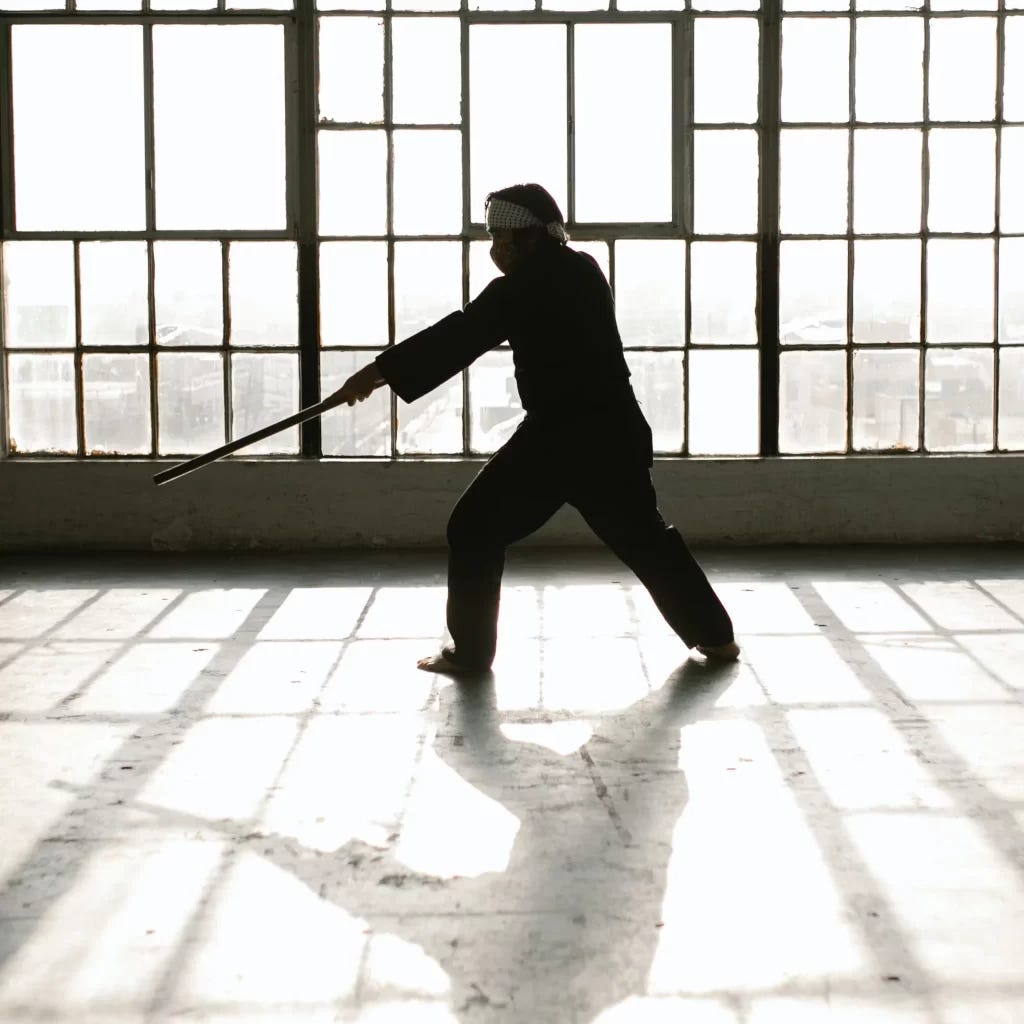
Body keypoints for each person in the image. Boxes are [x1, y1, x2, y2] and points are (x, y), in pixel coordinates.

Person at [329, 183, 739, 673]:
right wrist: (382, 374)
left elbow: (459, 334)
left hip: (561, 438)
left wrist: (373, 375)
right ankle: (716, 638)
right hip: (611, 433)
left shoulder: (527, 286)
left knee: (473, 528)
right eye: (492, 238)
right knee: (644, 539)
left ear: (536, 238)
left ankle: (471, 653)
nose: (495, 250)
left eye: (504, 239)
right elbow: (467, 330)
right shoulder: (582, 270)